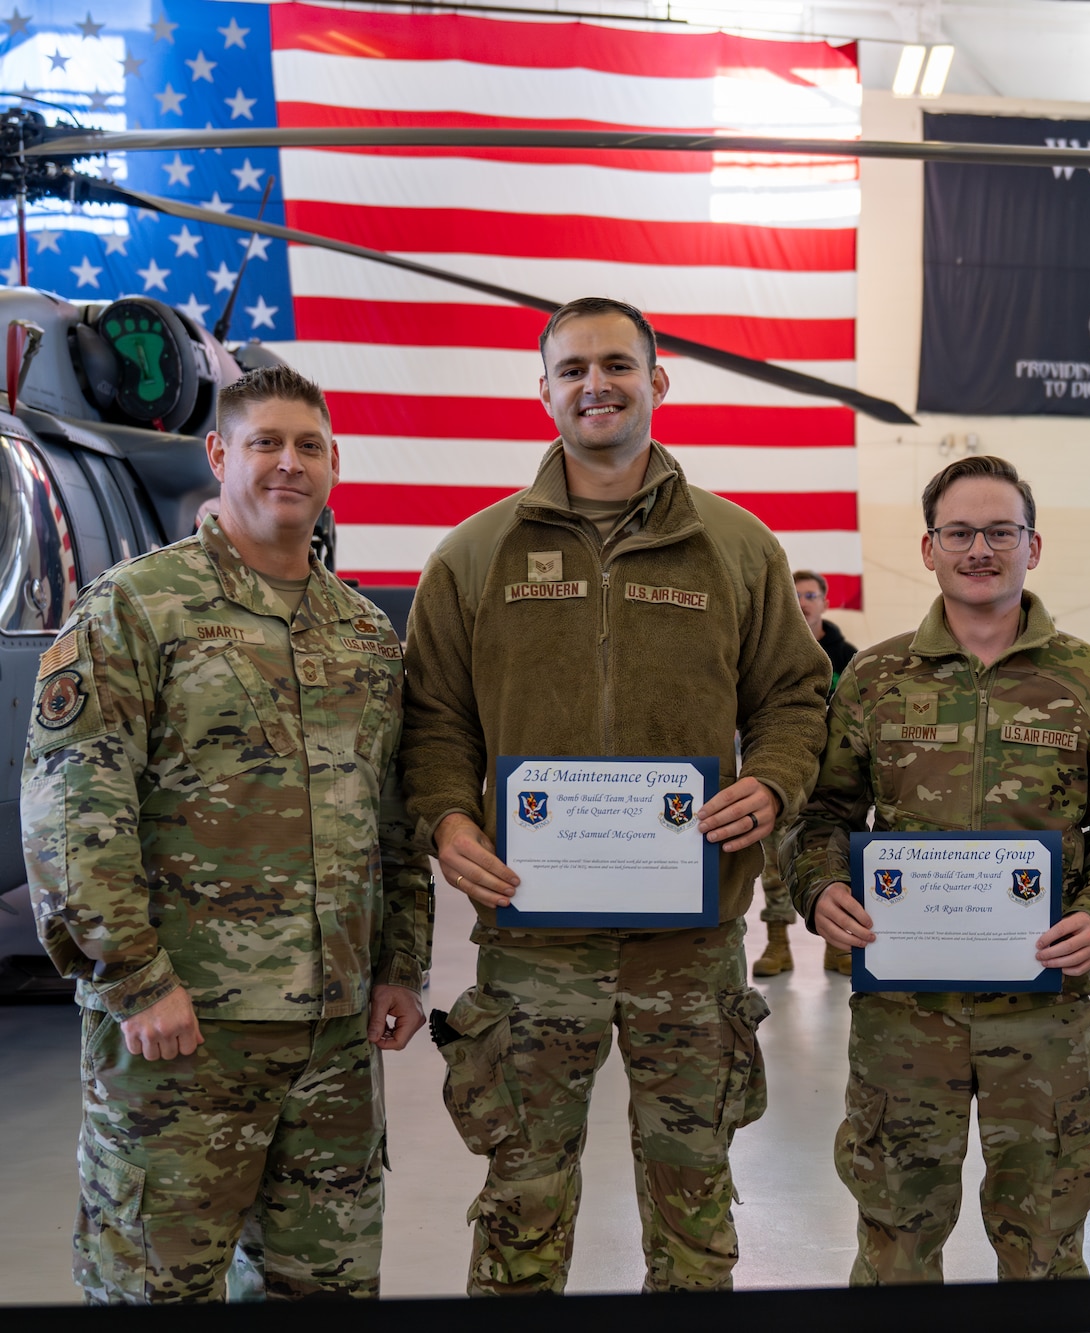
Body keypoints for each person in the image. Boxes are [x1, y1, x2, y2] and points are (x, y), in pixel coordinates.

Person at [400, 296, 830, 1296]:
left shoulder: (736, 549)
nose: (596, 383)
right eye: (573, 368)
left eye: (617, 365)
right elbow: (432, 720)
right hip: (531, 944)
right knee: (520, 1204)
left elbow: (795, 697)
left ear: (655, 381)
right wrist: (446, 816)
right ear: (543, 389)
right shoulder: (474, 557)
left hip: (691, 945)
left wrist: (771, 781)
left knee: (694, 1209)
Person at [23, 366, 430, 1303]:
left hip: (333, 1045)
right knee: (156, 1290)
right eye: (265, 442)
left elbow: (394, 819)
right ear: (219, 454)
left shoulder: (366, 635)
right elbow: (73, 809)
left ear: (334, 465)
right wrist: (133, 978)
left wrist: (402, 964)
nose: (289, 463)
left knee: (324, 1290)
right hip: (181, 1036)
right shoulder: (136, 609)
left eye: (310, 446)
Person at [786, 454, 1090, 1284]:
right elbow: (822, 817)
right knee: (896, 1243)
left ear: (1033, 544)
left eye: (1000, 531)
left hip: (1043, 1015)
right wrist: (822, 889)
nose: (979, 548)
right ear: (928, 548)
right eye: (959, 532)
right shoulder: (874, 680)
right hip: (903, 1018)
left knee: (1046, 1243)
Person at [753, 569, 858, 979]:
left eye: (811, 594)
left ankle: (838, 944)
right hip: (786, 773)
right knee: (774, 862)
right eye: (795, 595)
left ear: (826, 602)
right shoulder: (772, 653)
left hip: (834, 777)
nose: (804, 602)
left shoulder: (849, 656)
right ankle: (778, 943)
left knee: (836, 854)